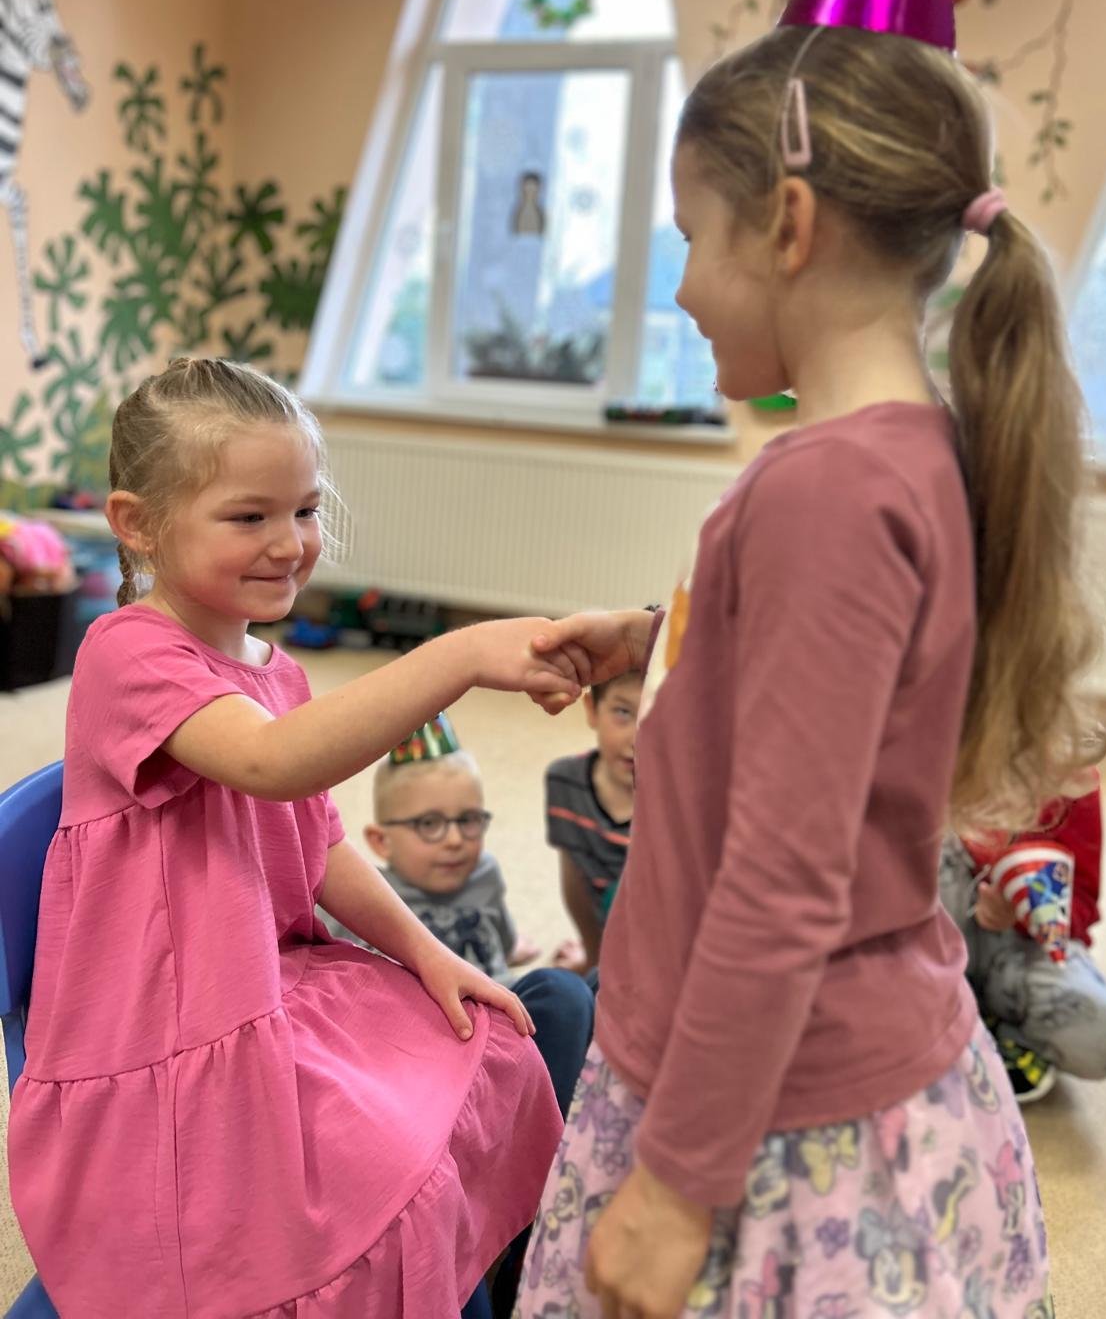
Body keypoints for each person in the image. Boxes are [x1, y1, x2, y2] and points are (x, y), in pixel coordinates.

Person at [513, 0, 1104, 1317]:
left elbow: (781, 879)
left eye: (689, 240)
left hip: (772, 1129)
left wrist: (675, 1191)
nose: (680, 288)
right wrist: (671, 642)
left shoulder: (825, 489)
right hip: (842, 1072)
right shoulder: (906, 457)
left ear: (786, 223)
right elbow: (845, 699)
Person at [7, 356, 589, 1319]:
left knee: (497, 1045)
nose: (289, 543)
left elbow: (316, 842)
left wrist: (429, 953)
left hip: (273, 983)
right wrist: (459, 654)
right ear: (136, 523)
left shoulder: (274, 668)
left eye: (306, 510)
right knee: (367, 1191)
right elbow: (275, 763)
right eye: (249, 516)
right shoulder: (126, 653)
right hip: (169, 1035)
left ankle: (499, 1272)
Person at [322, 713, 595, 1119]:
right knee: (564, 992)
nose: (454, 839)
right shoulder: (362, 896)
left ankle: (558, 1121)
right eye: (429, 823)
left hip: (506, 1029)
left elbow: (502, 946)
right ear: (380, 841)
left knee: (593, 986)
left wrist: (519, 950)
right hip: (427, 1058)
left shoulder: (485, 873)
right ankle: (539, 1134)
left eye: (468, 821)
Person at [940, 767, 1106, 1104]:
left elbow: (1082, 905)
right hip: (931, 944)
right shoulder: (928, 748)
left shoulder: (1070, 770)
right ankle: (945, 1020)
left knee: (1097, 1037)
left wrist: (1021, 914)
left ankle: (991, 1025)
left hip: (1017, 950)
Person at [544, 672, 640, 974]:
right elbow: (575, 879)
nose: (637, 737)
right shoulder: (564, 781)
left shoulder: (683, 803)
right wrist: (593, 955)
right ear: (592, 710)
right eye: (623, 712)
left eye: (657, 713)